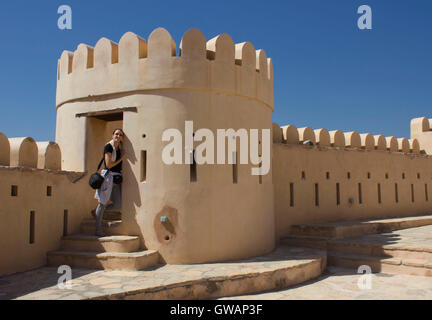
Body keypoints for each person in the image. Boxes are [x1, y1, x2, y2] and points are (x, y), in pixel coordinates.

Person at [93, 128, 125, 236]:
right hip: (108, 178)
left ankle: (96, 213)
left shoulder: (119, 148)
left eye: (120, 135)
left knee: (118, 204)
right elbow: (109, 165)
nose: (118, 136)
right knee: (102, 204)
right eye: (116, 134)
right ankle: (98, 229)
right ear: (112, 135)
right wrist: (121, 158)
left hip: (116, 179)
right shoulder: (108, 147)